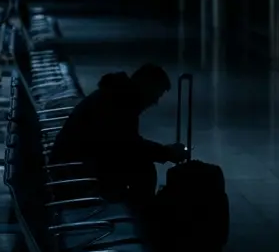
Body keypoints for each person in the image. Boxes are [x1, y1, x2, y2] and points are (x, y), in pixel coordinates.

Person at [48, 63, 187, 215]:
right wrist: (166, 152)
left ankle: (140, 217)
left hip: (74, 164)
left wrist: (163, 151)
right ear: (145, 87)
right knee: (142, 170)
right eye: (156, 95)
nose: (155, 102)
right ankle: (142, 219)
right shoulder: (118, 103)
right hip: (73, 172)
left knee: (141, 168)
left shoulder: (115, 96)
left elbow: (125, 143)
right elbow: (126, 146)